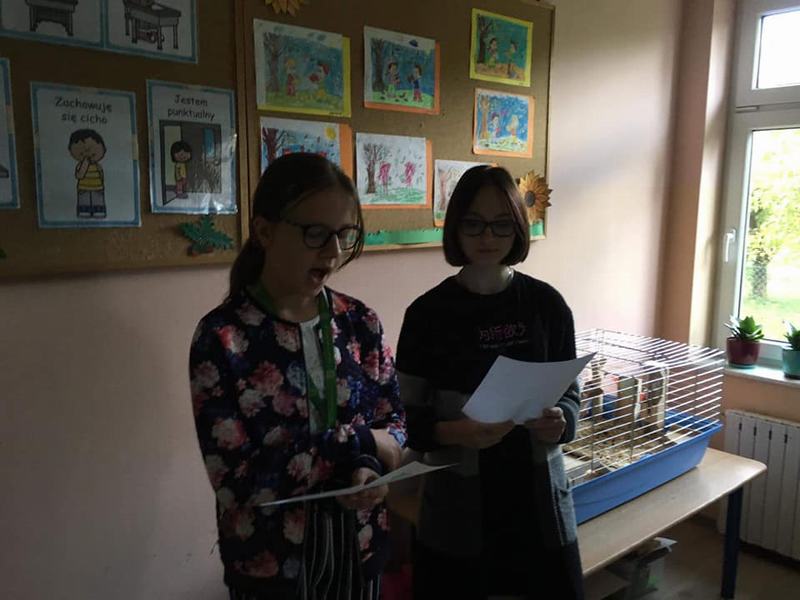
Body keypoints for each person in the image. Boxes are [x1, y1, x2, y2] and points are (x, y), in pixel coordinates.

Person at [189, 153, 406, 600]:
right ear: (265, 231)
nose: (333, 252)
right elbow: (236, 481)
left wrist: (367, 468)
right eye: (315, 233)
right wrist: (359, 443)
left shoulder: (360, 322)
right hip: (269, 565)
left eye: (344, 234)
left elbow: (395, 425)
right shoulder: (223, 337)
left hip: (358, 548)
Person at [396, 165, 584, 600]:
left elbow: (570, 394)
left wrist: (562, 421)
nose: (487, 236)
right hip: (457, 510)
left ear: (517, 227)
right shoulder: (427, 314)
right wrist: (454, 432)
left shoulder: (547, 306)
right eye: (474, 223)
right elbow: (404, 419)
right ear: (455, 227)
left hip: (538, 505)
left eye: (501, 224)